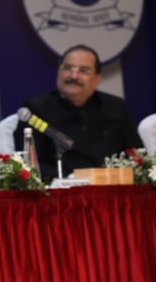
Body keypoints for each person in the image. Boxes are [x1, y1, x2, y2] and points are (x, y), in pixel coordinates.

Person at [13, 44, 139, 181]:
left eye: (84, 71)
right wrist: (72, 178)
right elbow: (29, 163)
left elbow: (135, 154)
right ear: (59, 71)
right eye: (68, 68)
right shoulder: (36, 109)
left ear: (97, 79)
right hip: (62, 189)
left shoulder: (114, 107)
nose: (74, 76)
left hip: (111, 186)